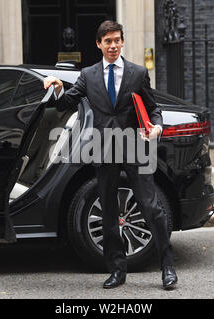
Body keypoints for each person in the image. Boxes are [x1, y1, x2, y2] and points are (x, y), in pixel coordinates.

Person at [44, 20, 177, 290]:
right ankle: (117, 270)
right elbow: (68, 102)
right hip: (104, 149)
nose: (113, 45)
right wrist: (57, 86)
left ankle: (167, 267)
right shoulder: (89, 75)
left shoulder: (138, 73)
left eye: (117, 40)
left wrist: (156, 128)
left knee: (152, 208)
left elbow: (153, 109)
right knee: (109, 213)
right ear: (99, 44)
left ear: (123, 41)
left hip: (135, 147)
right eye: (108, 41)